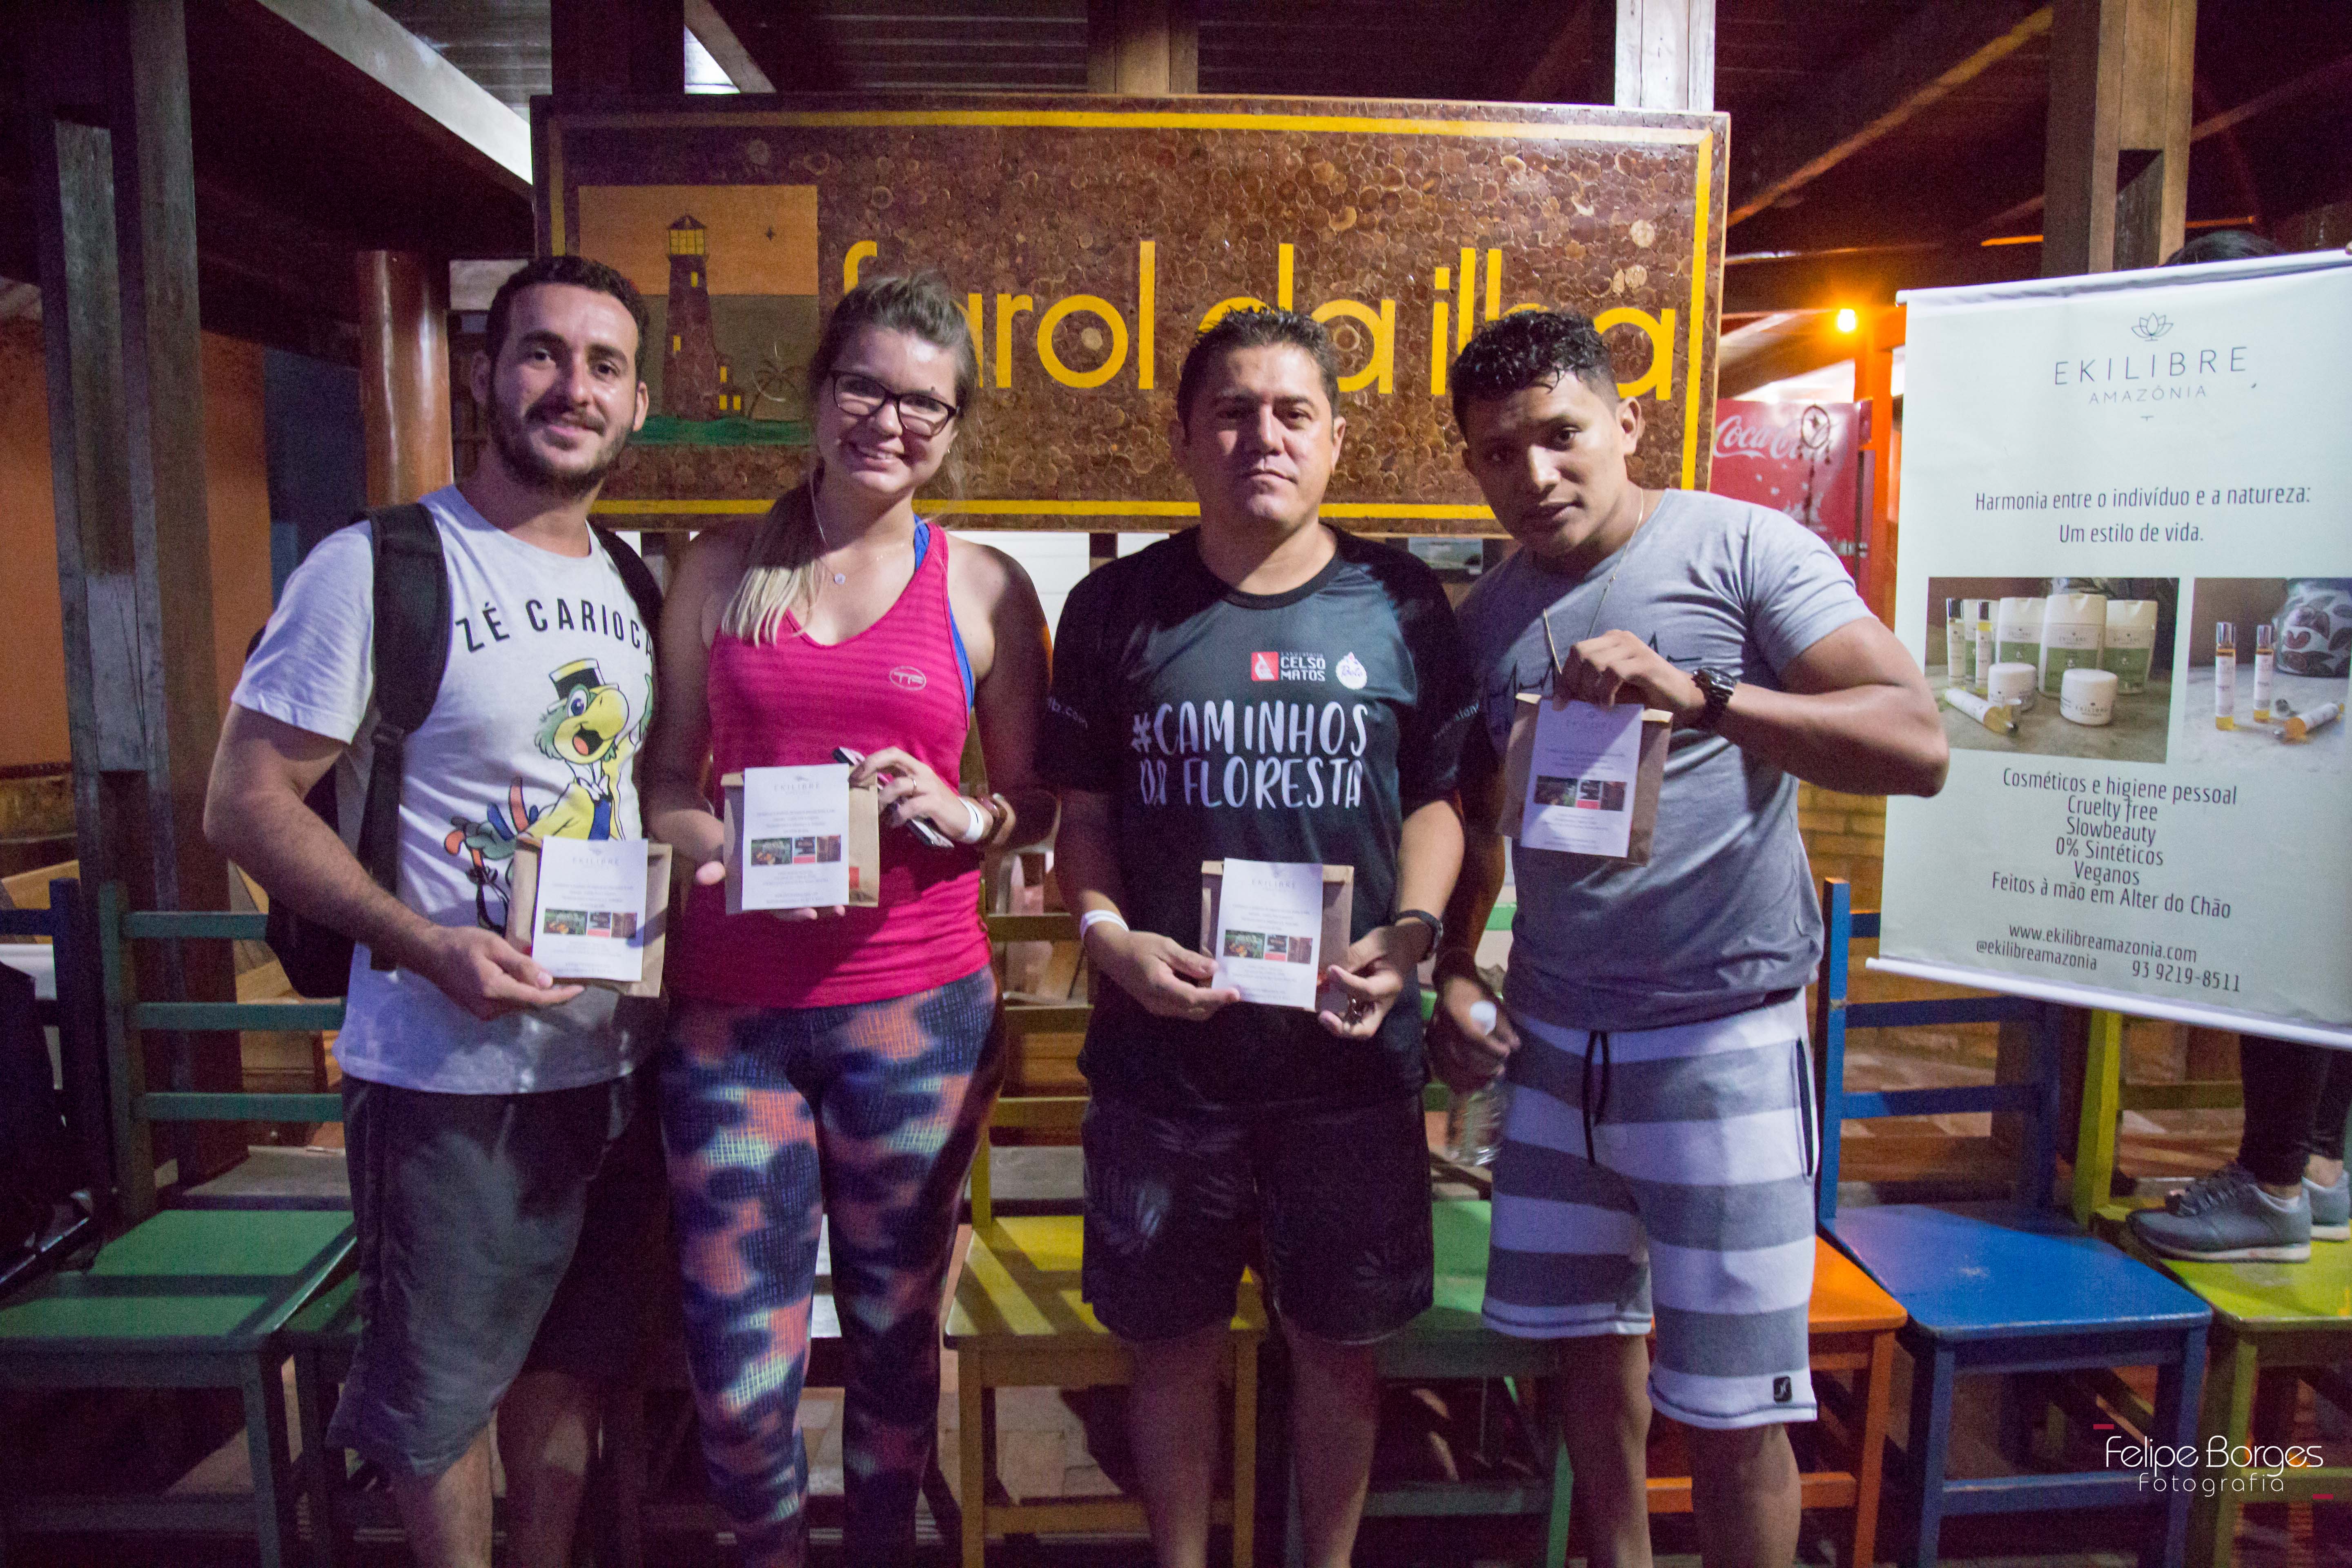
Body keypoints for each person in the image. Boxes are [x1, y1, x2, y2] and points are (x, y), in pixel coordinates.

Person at [1427, 310, 1947, 1568]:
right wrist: (1452, 967)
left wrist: (1704, 694)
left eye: (1561, 435)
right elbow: (1480, 819)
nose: (1535, 475)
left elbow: (1917, 742)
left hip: (1723, 1044)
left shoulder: (1744, 547)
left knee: (1733, 1409)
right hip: (1555, 1045)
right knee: (1582, 1380)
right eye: (1498, 452)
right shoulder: (1489, 616)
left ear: (1627, 423)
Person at [204, 255, 666, 1568]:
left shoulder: (634, 585)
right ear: (483, 374)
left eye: (605, 365)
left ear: (637, 405)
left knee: (568, 1369)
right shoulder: (378, 566)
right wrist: (421, 944)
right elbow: (244, 802)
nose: (572, 388)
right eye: (542, 354)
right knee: (438, 1398)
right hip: (441, 1075)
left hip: (605, 1066)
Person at [1042, 307, 1474, 1568]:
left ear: (1336, 441)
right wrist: (1108, 937)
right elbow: (1083, 817)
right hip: (1164, 1069)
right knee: (1168, 1348)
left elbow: (1441, 801)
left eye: (1293, 413)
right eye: (1232, 412)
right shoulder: (1115, 608)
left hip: (1348, 1066)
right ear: (1185, 437)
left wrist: (1412, 934)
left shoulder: (1401, 601)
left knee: (1340, 1350)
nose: (1263, 438)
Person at [643, 272, 1054, 1567]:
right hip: (733, 1020)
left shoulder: (986, 587)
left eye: (926, 403)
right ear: (818, 396)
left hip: (918, 1018)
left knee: (894, 1335)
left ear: (955, 426)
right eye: (866, 387)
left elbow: (1038, 803)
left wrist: (968, 810)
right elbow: (663, 783)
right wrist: (722, 847)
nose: (891, 420)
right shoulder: (720, 568)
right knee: (738, 1363)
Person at [2126, 227, 2352, 1263]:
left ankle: (2272, 1185)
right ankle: (2320, 1170)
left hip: (2319, 680)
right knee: (2328, 925)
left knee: (2289, 927)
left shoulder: (2293, 405)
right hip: (2314, 673)